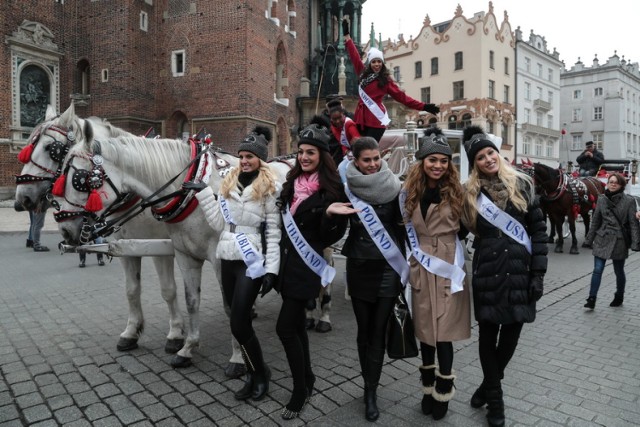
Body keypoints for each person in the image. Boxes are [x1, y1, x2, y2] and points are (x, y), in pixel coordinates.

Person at [460, 126, 548, 427]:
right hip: (487, 273)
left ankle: (487, 386)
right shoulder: (469, 194)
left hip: (519, 273)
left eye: (490, 153)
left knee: (510, 339)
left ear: (498, 154)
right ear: (474, 164)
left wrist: (538, 274)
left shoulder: (523, 185)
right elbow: (455, 229)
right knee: (487, 337)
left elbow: (538, 232)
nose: (487, 159)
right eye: (480, 157)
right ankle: (496, 404)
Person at [192, 126, 281, 403]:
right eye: (241, 155)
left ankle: (261, 373)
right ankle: (255, 373)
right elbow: (220, 224)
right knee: (234, 320)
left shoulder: (269, 187)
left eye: (250, 156)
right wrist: (205, 195)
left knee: (241, 321)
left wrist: (271, 270)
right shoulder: (228, 183)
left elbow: (273, 232)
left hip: (251, 259)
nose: (244, 160)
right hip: (227, 256)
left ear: (260, 159)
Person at [327, 136, 404, 421]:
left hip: (388, 268)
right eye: (366, 160)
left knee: (378, 330)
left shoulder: (395, 188)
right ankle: (366, 383)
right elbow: (332, 230)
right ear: (355, 162)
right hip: (359, 266)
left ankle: (372, 390)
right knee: (363, 330)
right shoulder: (346, 190)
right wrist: (329, 213)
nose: (372, 165)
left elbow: (404, 229)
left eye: (376, 159)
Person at [276, 123, 348, 419]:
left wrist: (329, 215)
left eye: (311, 153)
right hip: (285, 264)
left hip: (307, 266)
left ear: (322, 156)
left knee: (283, 328)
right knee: (294, 327)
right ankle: (308, 378)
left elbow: (330, 236)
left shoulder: (330, 190)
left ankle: (299, 389)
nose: (304, 157)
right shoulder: (292, 183)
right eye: (301, 152)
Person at [401, 127, 471, 420]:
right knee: (426, 333)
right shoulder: (409, 192)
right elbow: (403, 228)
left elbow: (467, 227)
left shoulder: (458, 192)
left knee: (444, 334)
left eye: (444, 161)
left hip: (447, 265)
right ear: (423, 162)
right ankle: (427, 388)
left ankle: (443, 392)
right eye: (433, 160)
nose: (438, 166)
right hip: (421, 265)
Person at [342, 19, 439, 142]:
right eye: (373, 61)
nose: (376, 64)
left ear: (382, 63)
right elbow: (354, 55)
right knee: (359, 150)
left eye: (379, 62)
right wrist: (347, 38)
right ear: (369, 63)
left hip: (376, 121)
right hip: (361, 119)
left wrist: (424, 106)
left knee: (368, 150)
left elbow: (402, 97)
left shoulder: (385, 80)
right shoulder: (363, 74)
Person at [583, 172, 640, 309]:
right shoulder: (601, 199)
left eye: (616, 182)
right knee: (597, 269)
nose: (613, 184)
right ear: (607, 184)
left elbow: (633, 223)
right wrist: (589, 240)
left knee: (618, 270)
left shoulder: (629, 201)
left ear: (621, 185)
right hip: (602, 237)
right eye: (610, 182)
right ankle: (592, 298)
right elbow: (596, 221)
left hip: (619, 240)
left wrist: (635, 243)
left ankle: (619, 295)